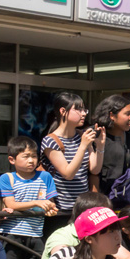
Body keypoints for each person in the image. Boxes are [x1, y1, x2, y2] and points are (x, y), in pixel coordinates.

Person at [0, 136, 58, 259]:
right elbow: (11, 204)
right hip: (12, 235)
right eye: (26, 156)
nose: (31, 160)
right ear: (12, 160)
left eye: (34, 156)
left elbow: (50, 202)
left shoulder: (45, 176)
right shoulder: (7, 178)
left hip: (36, 234)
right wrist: (36, 203)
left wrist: (50, 208)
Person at [41, 91, 102, 235]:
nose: (83, 114)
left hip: (83, 207)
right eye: (78, 109)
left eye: (84, 110)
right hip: (60, 209)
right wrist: (83, 146)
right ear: (63, 111)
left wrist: (100, 146)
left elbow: (94, 169)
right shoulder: (50, 141)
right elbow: (67, 173)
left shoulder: (82, 136)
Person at [94, 95, 130, 208]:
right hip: (103, 201)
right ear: (112, 115)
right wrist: (96, 204)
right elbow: (93, 174)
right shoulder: (98, 137)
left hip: (127, 201)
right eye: (127, 114)